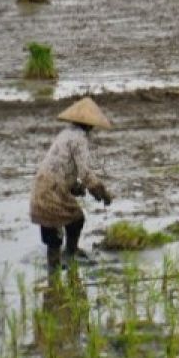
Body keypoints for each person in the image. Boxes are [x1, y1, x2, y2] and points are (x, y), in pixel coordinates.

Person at [29, 97, 114, 271]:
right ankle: (70, 253)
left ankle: (54, 282)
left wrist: (75, 186)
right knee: (76, 219)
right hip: (52, 189)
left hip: (41, 186)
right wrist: (101, 192)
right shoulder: (79, 139)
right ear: (90, 125)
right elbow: (85, 172)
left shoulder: (65, 134)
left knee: (52, 233)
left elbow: (60, 165)